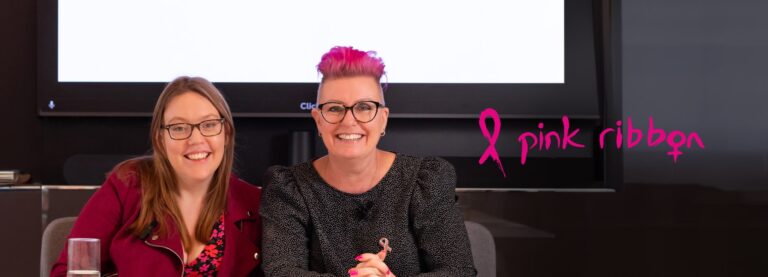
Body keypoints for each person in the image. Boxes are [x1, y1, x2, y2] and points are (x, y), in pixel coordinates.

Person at [260, 46, 477, 276]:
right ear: (318, 121)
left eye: (364, 107)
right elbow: (281, 272)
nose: (349, 121)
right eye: (334, 108)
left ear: (383, 119)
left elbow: (458, 271)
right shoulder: (287, 189)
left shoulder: (425, 181)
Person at [51, 76, 263, 276]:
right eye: (179, 128)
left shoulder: (255, 204)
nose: (196, 139)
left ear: (226, 133)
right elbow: (67, 272)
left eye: (209, 125)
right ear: (160, 139)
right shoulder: (126, 186)